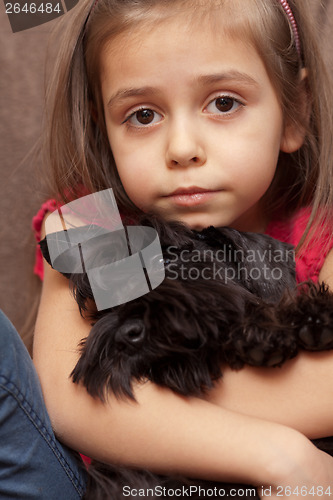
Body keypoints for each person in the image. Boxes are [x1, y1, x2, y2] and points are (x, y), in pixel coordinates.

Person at [2, 0, 333, 498]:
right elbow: (72, 401)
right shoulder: (96, 222)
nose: (181, 148)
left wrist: (149, 401)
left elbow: (324, 390)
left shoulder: (318, 231)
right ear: (103, 129)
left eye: (224, 103)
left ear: (294, 112)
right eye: (142, 115)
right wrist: (277, 456)